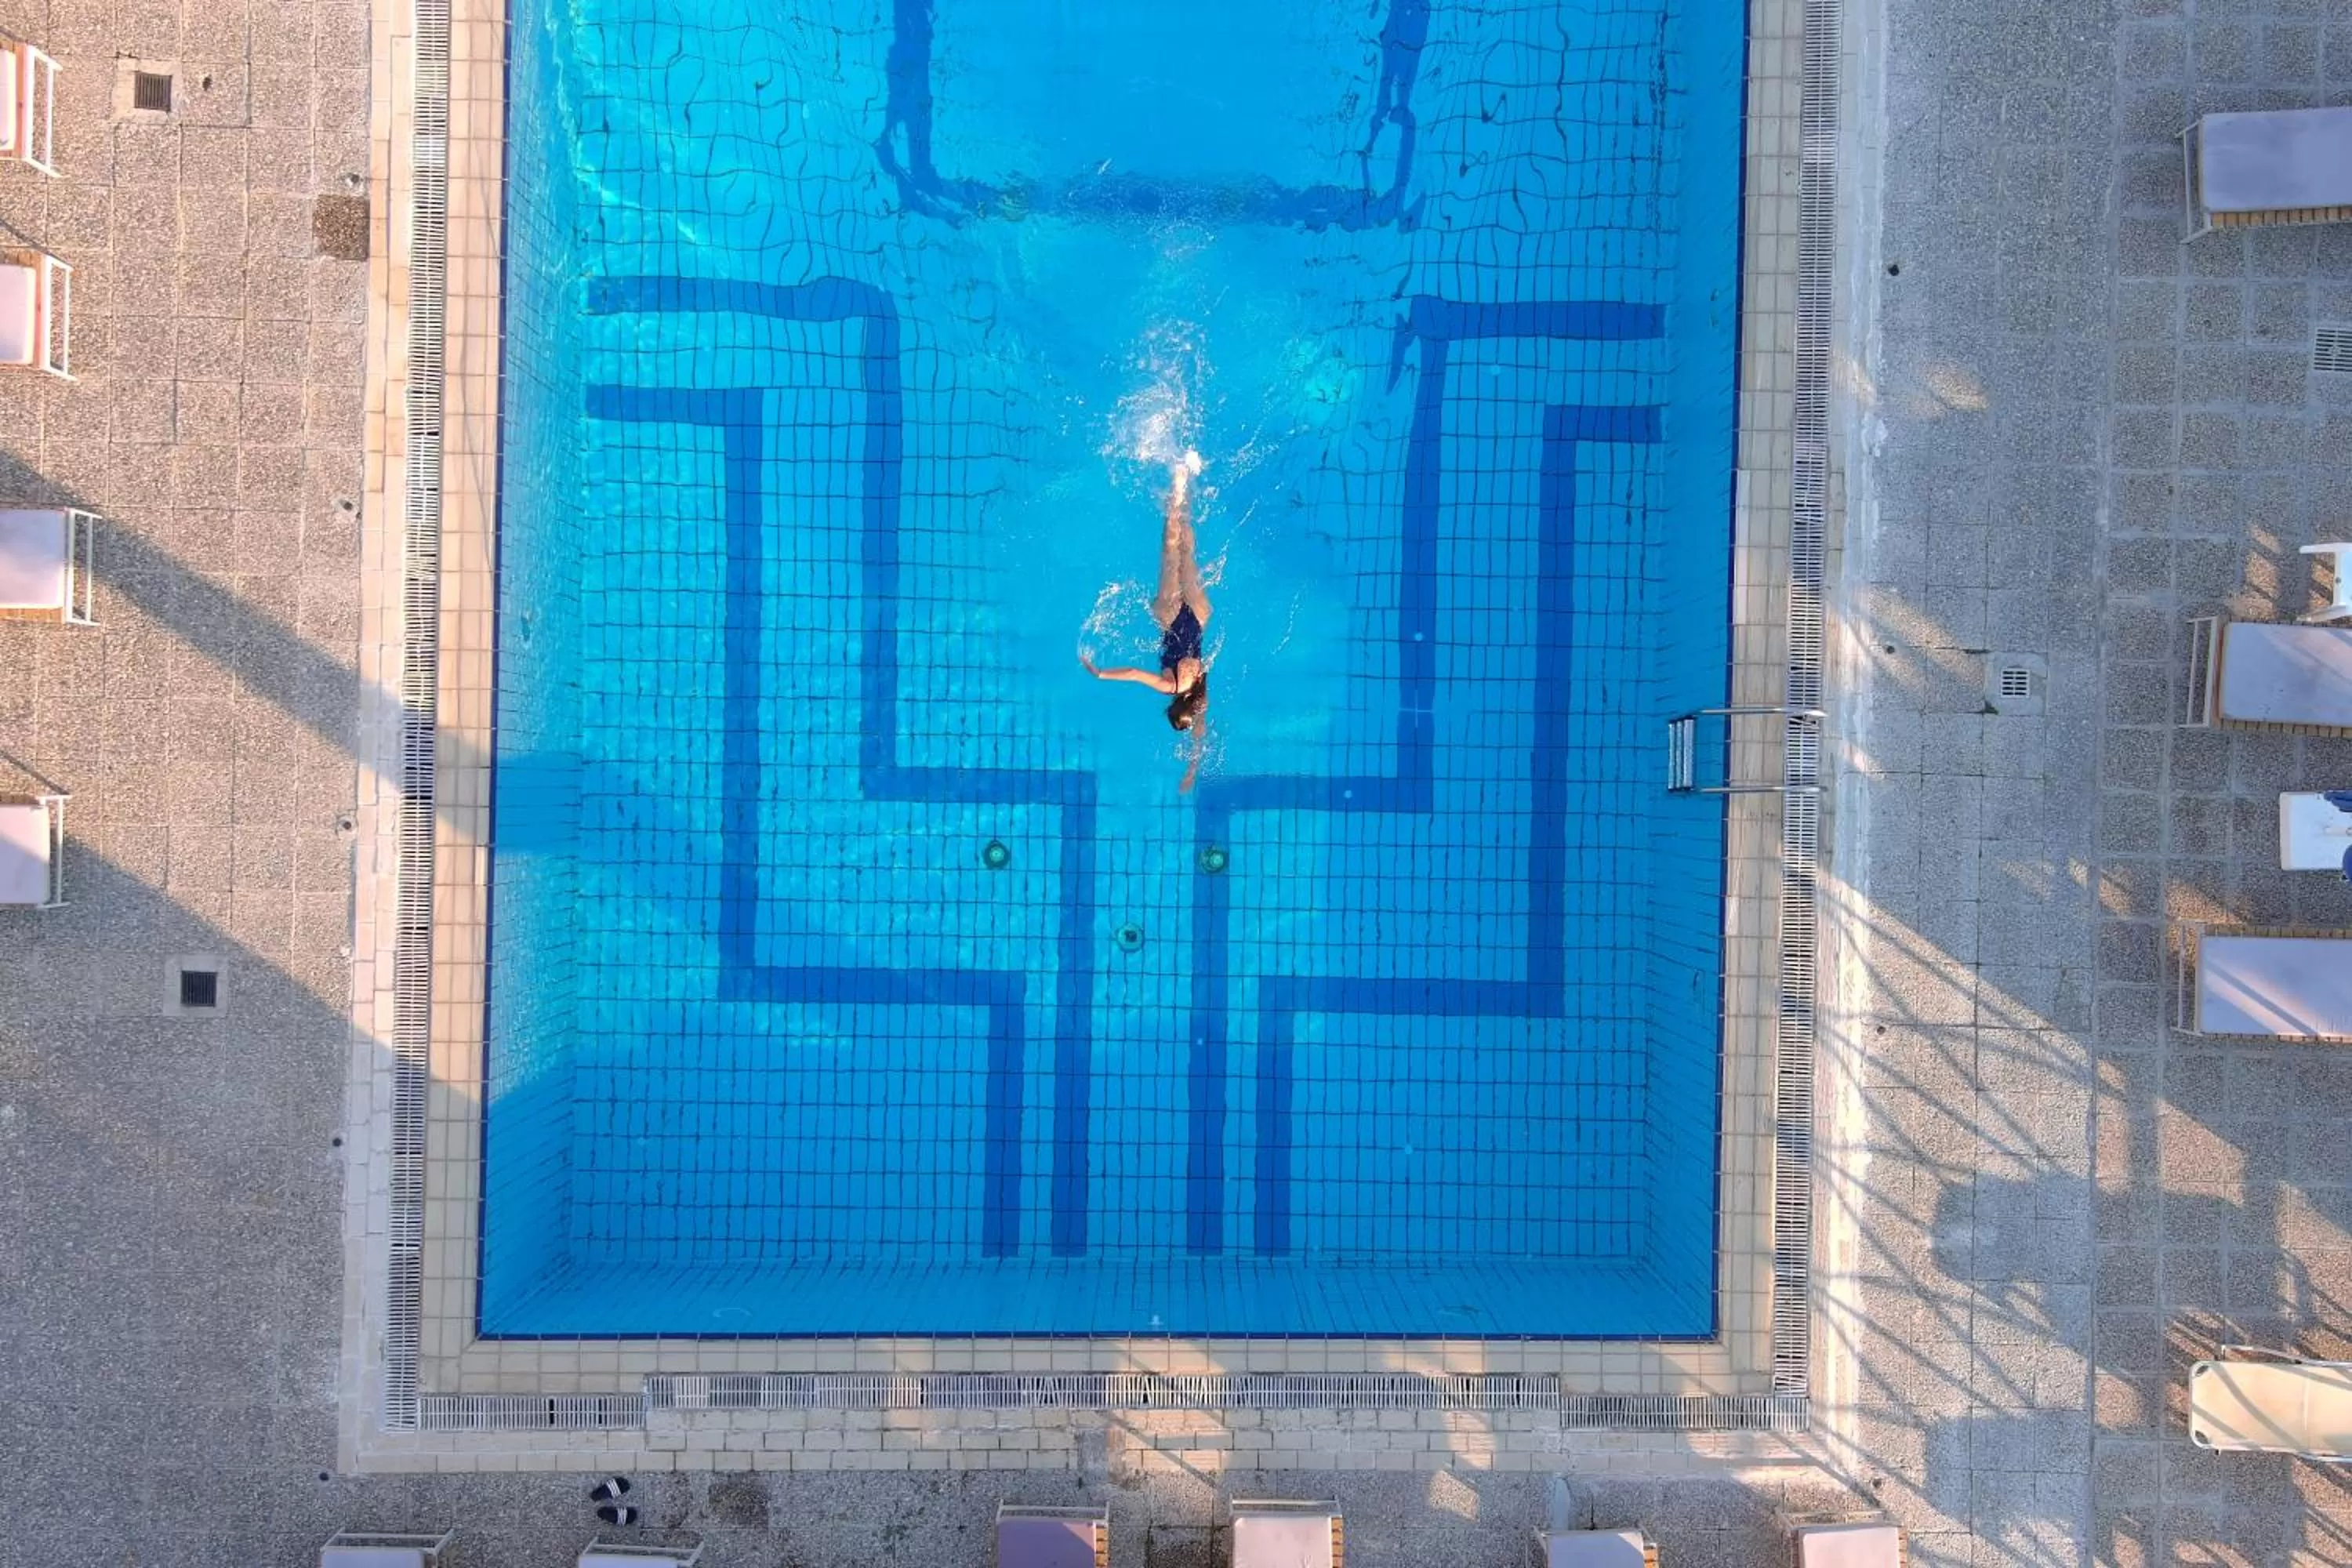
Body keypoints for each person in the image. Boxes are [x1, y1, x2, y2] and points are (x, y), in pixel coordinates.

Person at [1081, 451, 1211, 790]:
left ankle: (1188, 493)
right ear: (1172, 703)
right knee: (1170, 550)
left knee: (1187, 553)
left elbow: (1200, 734)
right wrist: (1100, 673)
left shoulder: (1200, 694)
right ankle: (1178, 485)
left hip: (1198, 617)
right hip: (1170, 616)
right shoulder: (1170, 687)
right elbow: (1135, 674)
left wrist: (1192, 771)